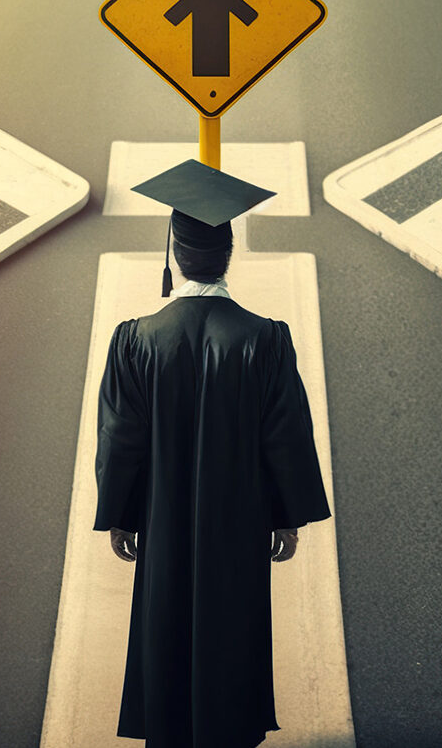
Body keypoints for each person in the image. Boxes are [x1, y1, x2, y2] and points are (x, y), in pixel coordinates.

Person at [94, 160, 333, 748]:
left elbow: (121, 437)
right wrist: (286, 518)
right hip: (239, 522)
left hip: (163, 519)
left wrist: (120, 516)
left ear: (173, 253)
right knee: (234, 627)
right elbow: (285, 436)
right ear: (229, 254)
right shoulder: (266, 338)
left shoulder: (136, 339)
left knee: (165, 624)